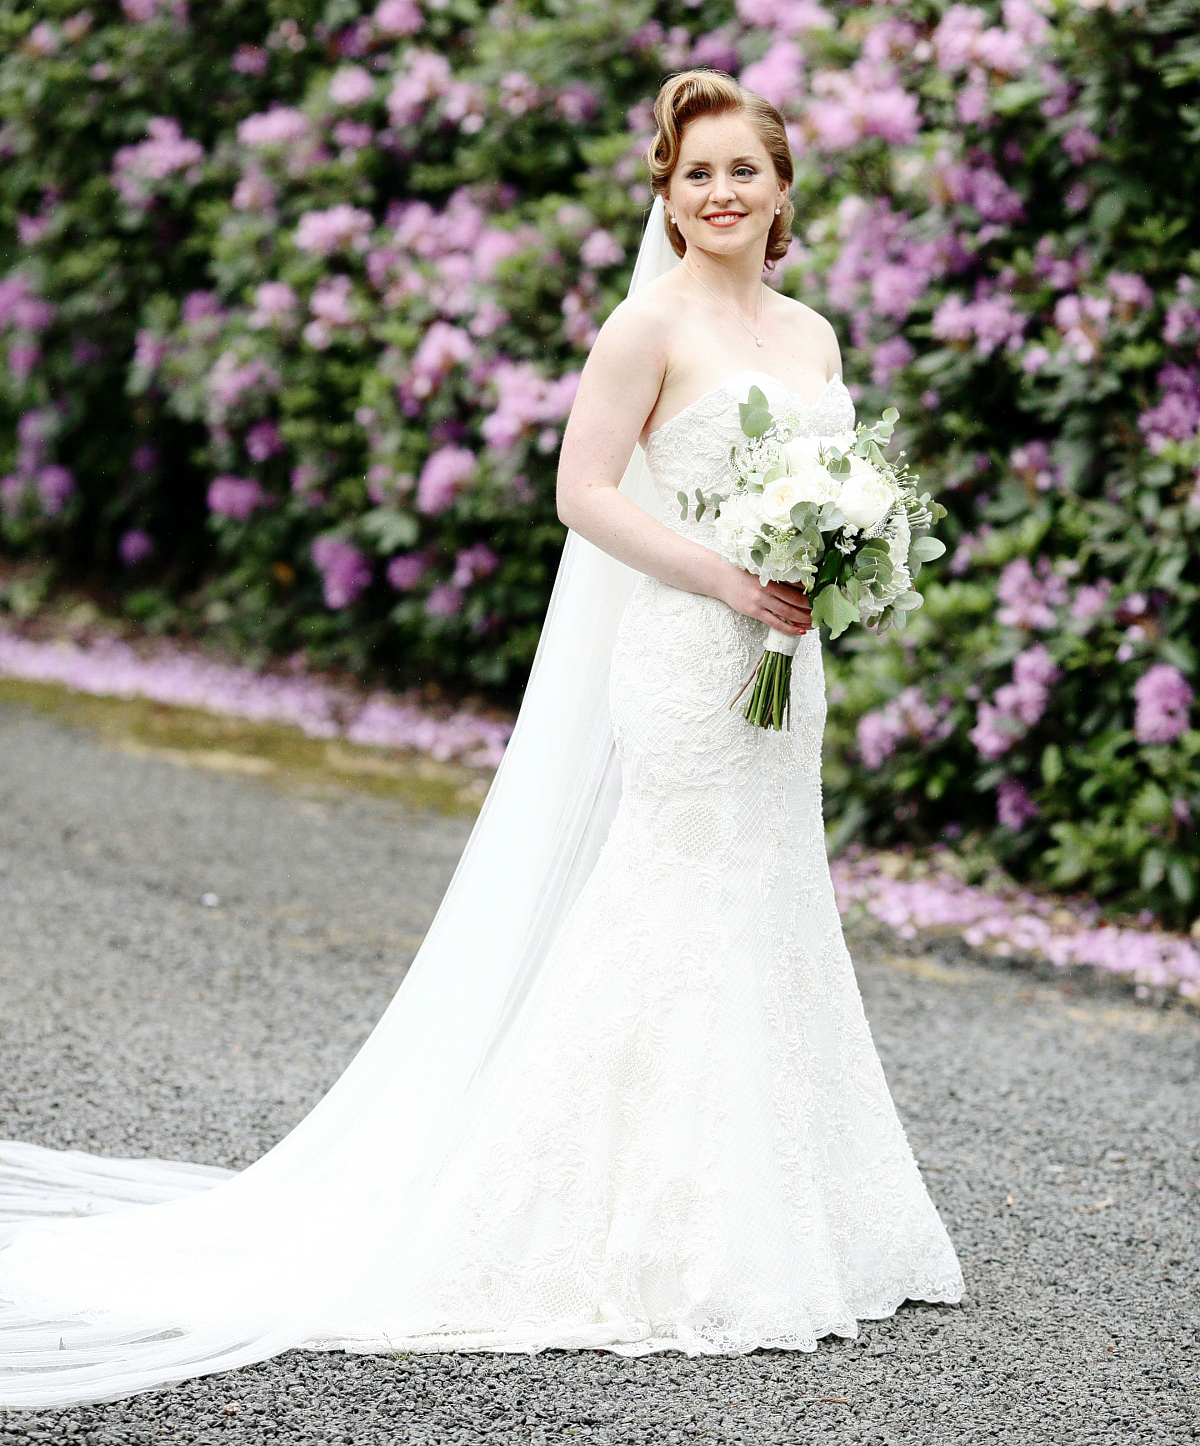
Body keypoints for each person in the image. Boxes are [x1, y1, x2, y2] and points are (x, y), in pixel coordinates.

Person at [0, 70, 962, 1408]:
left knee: (774, 901)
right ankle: (619, 1220)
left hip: (786, 667)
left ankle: (786, 1205)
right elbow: (582, 493)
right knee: (678, 904)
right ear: (667, 193)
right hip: (690, 658)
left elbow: (842, 489)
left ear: (785, 185)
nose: (722, 193)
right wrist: (718, 578)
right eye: (697, 174)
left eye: (744, 170)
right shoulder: (647, 325)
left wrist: (838, 564)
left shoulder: (813, 336)